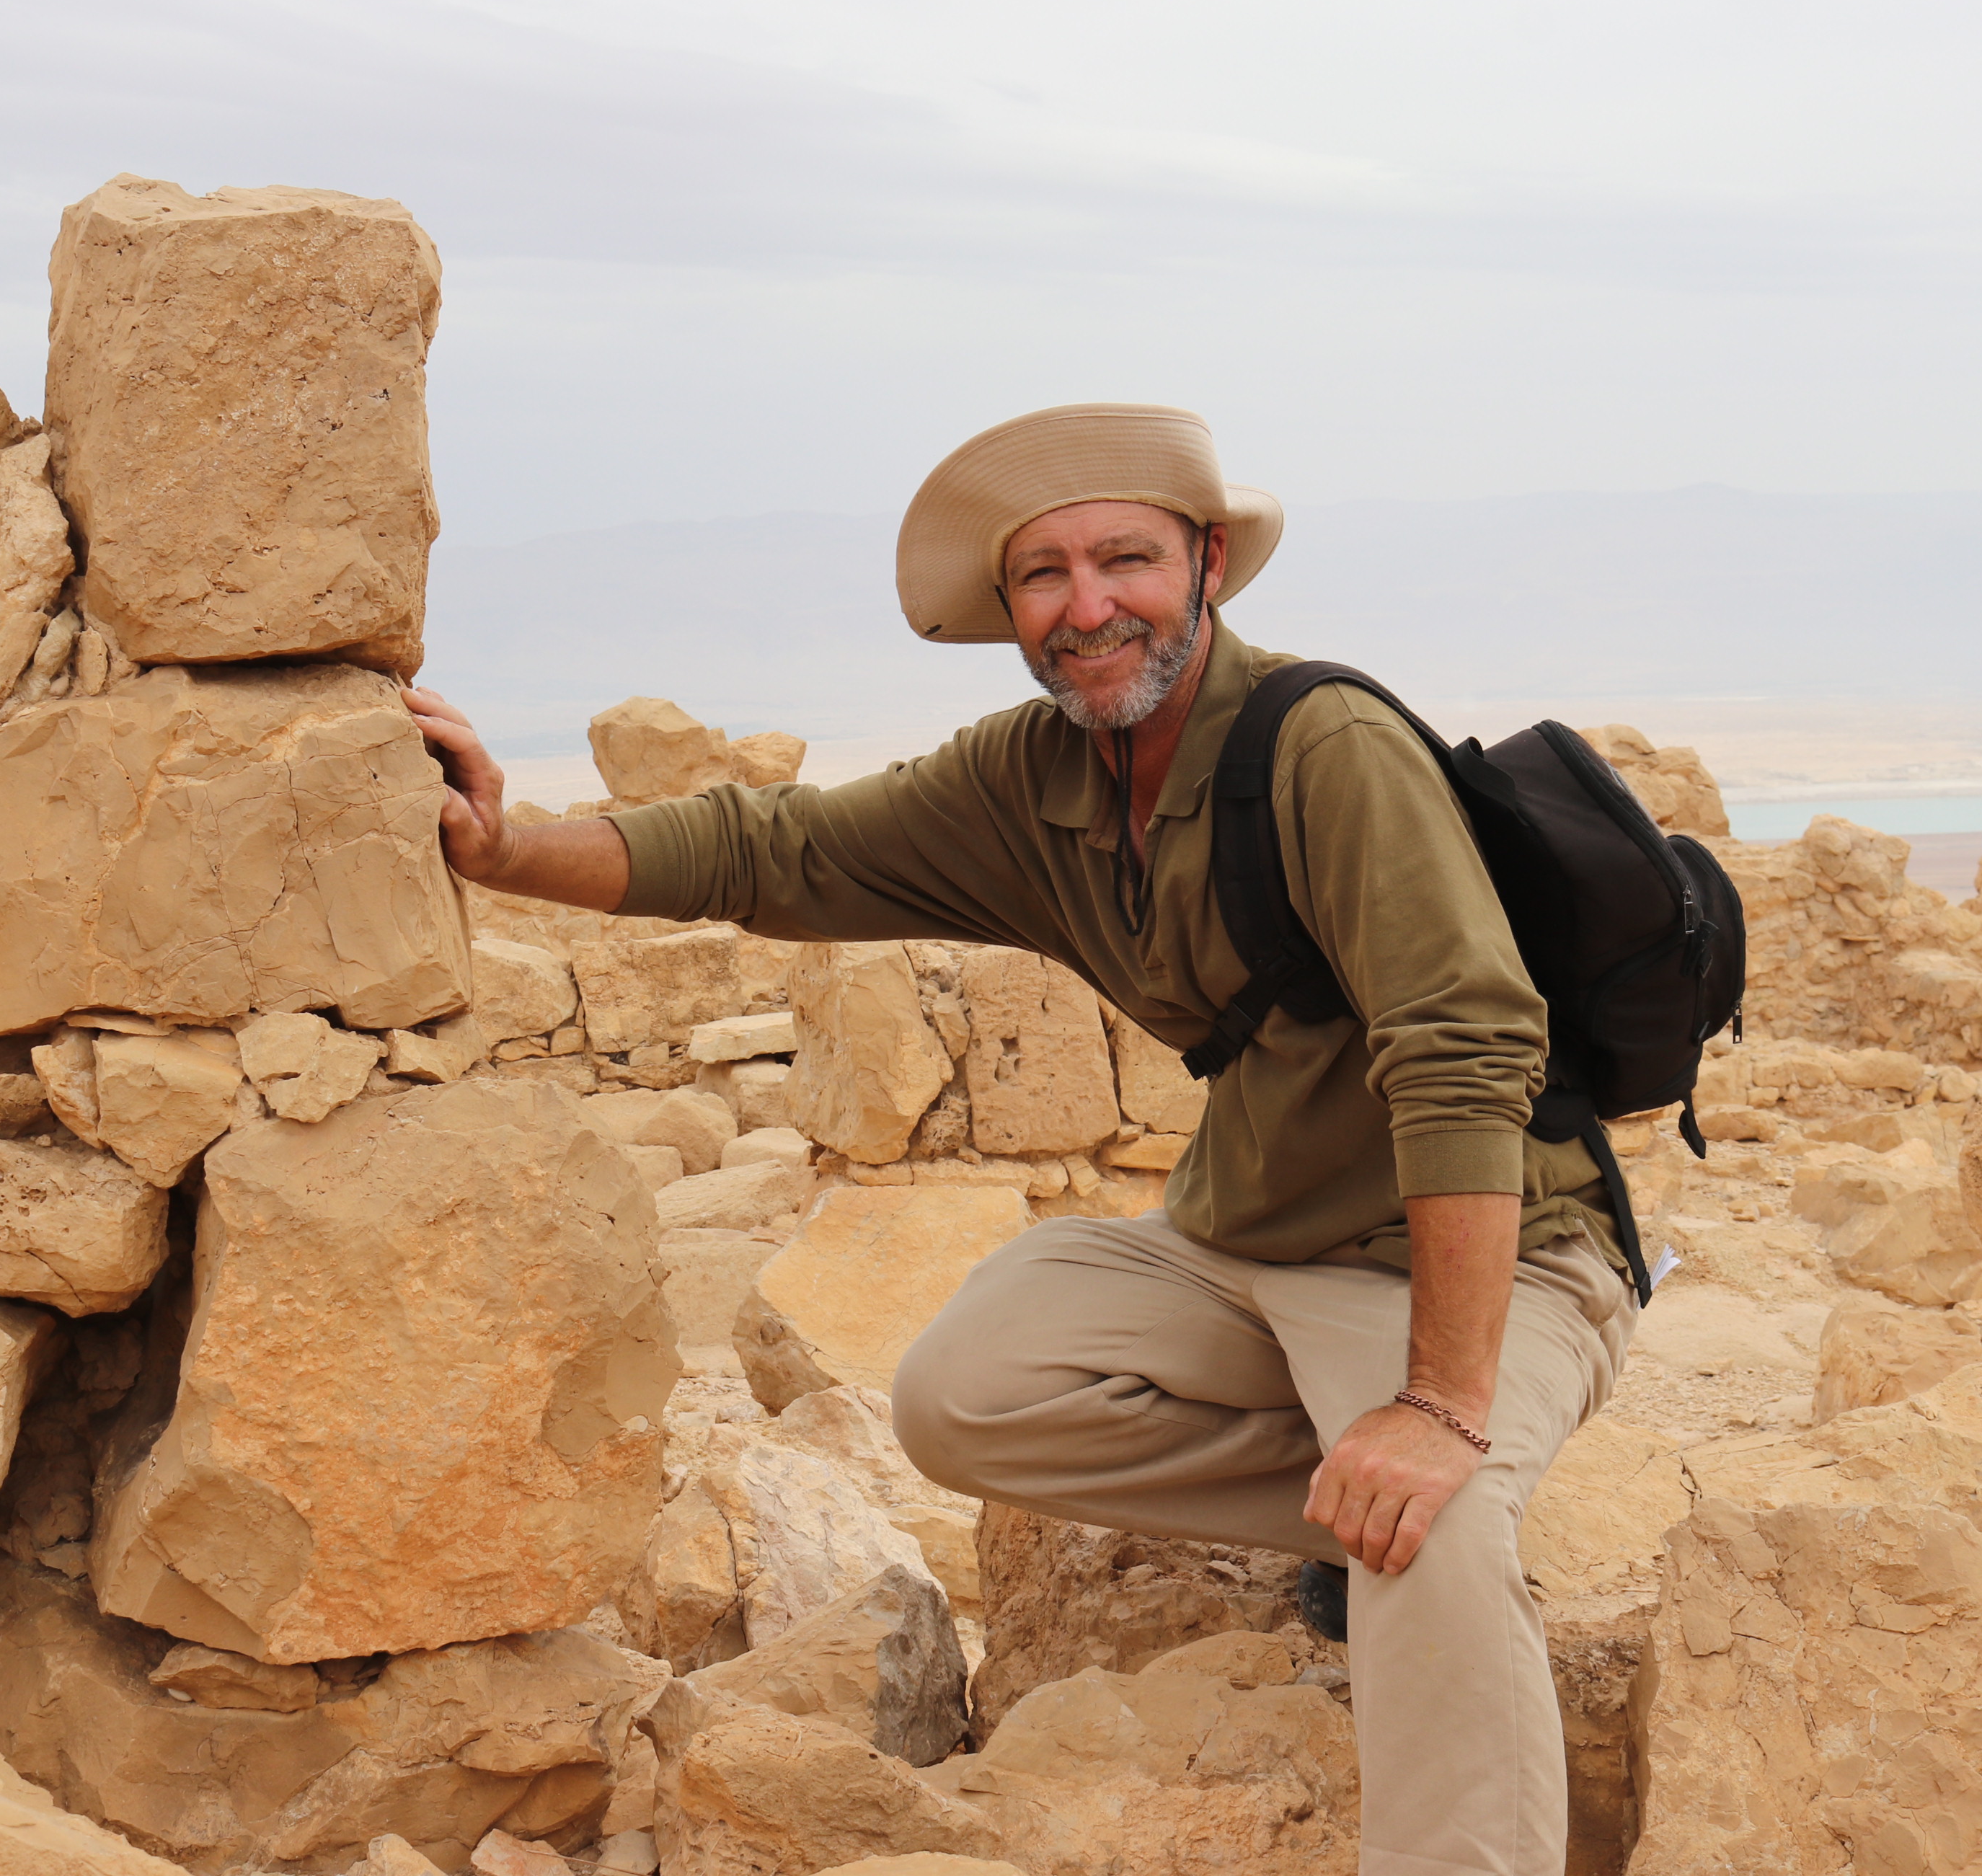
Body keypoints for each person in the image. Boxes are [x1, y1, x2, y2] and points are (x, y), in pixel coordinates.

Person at [406, 402, 1637, 1876]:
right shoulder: (1034, 778)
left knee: (1427, 1534)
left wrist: (1441, 1405)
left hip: (1486, 1254)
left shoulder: (1324, 744)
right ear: (1010, 612)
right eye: (1045, 576)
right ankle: (1352, 1481)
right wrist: (506, 843)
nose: (1088, 604)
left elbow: (1465, 1042)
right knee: (962, 1392)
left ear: (1210, 563)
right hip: (1250, 1243)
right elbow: (776, 848)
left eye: (1124, 558)